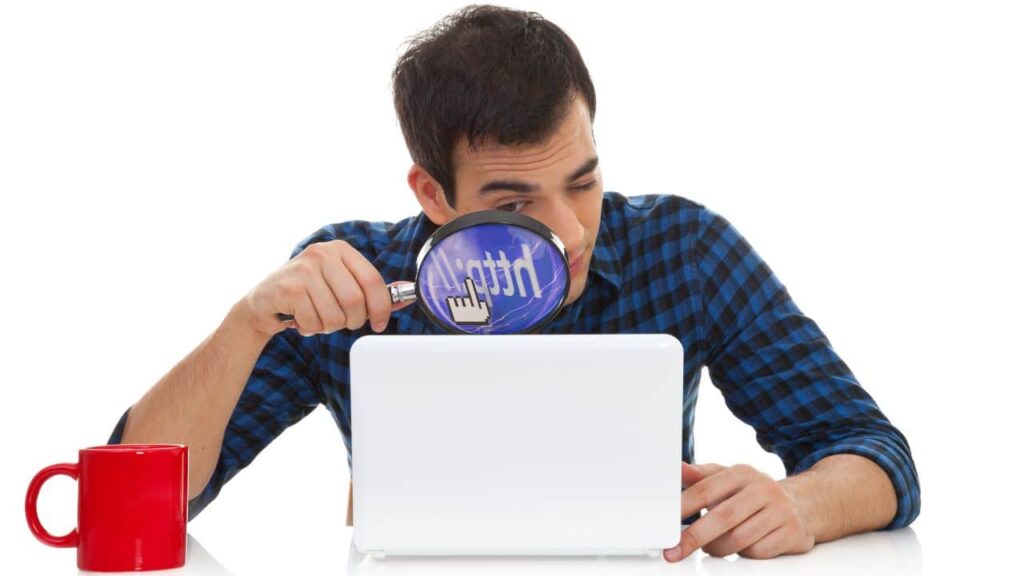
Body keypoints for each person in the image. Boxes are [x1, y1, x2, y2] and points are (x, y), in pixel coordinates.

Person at [107, 4, 920, 562]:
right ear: (433, 195)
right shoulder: (351, 281)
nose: (570, 233)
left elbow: (879, 455)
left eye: (583, 181)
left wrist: (799, 504)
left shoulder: (686, 249)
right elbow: (138, 502)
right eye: (515, 204)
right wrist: (247, 324)